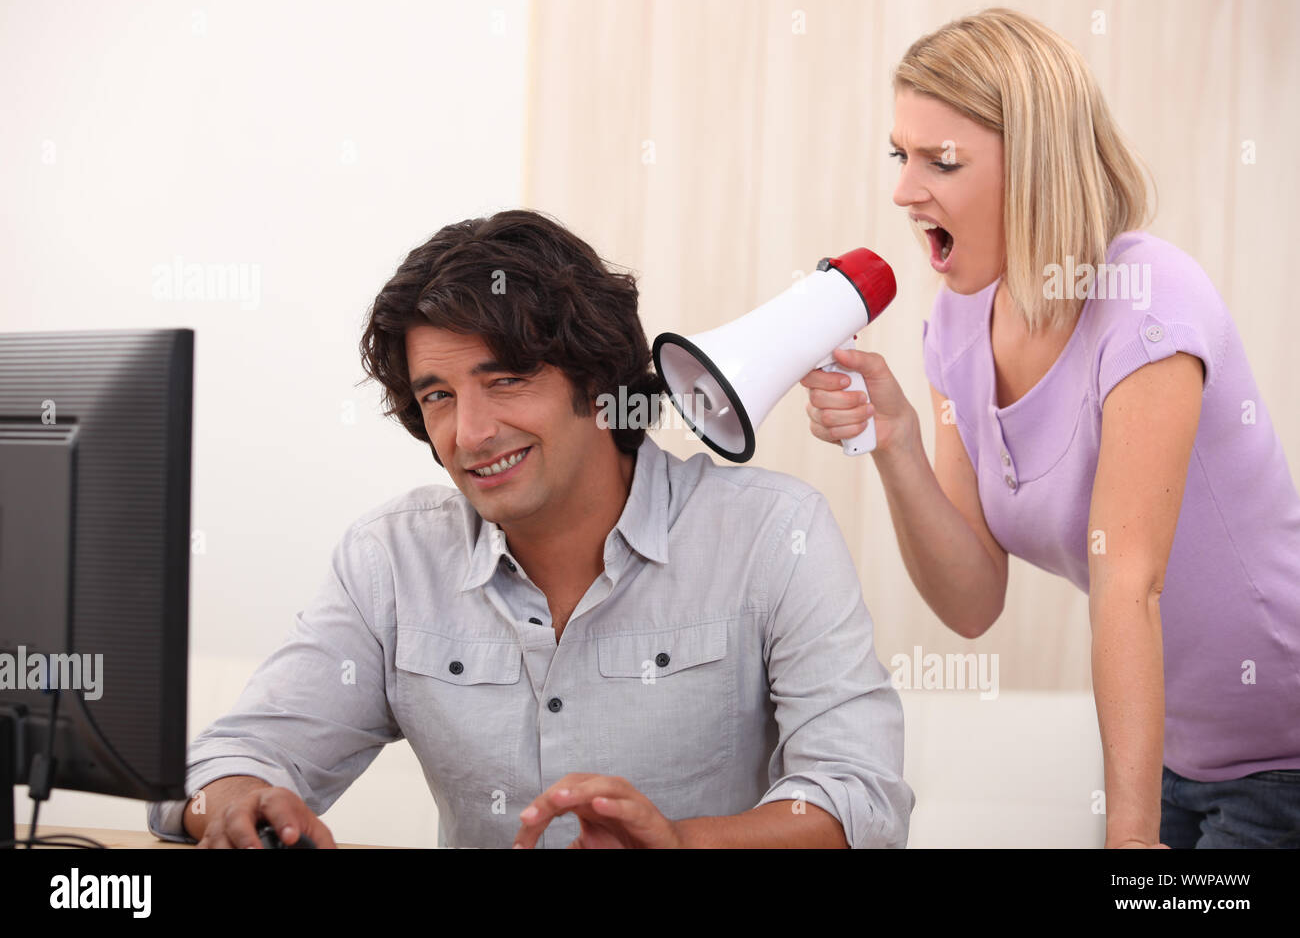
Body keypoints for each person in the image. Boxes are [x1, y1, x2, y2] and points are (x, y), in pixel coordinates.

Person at [146, 208, 913, 849]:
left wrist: (678, 843)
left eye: (505, 380)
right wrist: (238, 801)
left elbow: (860, 799)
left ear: (597, 380)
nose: (470, 432)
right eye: (438, 395)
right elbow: (215, 766)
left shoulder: (773, 534)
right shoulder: (391, 559)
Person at [802, 7, 1300, 849]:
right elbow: (970, 601)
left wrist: (1129, 849)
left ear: (1034, 164)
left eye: (941, 161)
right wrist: (895, 444)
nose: (903, 189)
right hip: (1175, 752)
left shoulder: (1148, 300)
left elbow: (1127, 584)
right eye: (902, 154)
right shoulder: (958, 325)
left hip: (1284, 752)